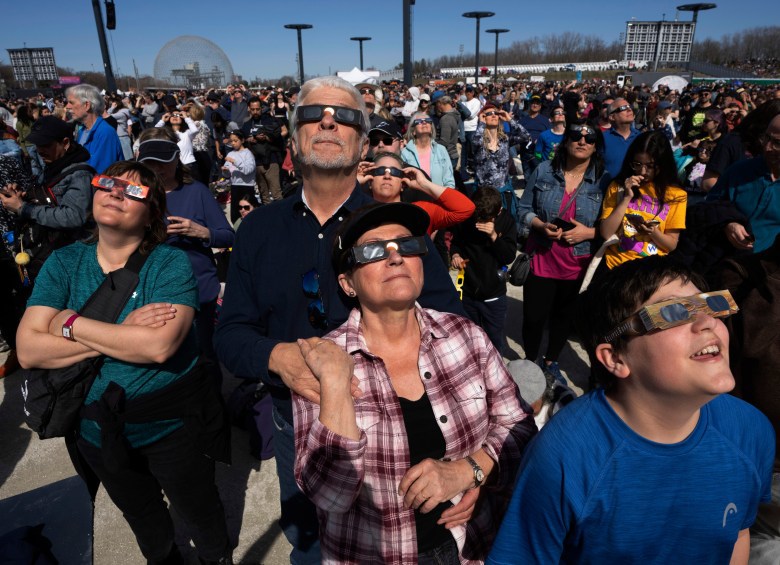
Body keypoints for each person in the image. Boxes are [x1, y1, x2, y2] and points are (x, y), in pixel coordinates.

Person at [214, 76, 464, 565]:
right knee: (310, 546)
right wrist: (276, 357)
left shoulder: (398, 223)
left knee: (410, 543)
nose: (329, 121)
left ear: (363, 144)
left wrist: (470, 465)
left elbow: (451, 323)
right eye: (314, 114)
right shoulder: (258, 230)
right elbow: (229, 335)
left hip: (405, 418)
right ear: (293, 140)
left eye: (345, 116)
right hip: (298, 423)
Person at [487, 256, 774, 564]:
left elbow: (738, 533)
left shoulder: (750, 430)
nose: (708, 322)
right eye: (674, 311)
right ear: (615, 359)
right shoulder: (564, 457)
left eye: (708, 305)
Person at [16, 160, 233, 564]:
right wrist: (120, 330)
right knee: (143, 517)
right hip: (97, 429)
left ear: (153, 213)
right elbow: (28, 349)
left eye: (134, 191)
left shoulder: (169, 263)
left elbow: (158, 347)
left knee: (201, 513)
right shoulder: (64, 262)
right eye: (108, 183)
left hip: (172, 426)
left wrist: (69, 323)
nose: (116, 192)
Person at [293, 201, 536, 563]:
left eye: (407, 245)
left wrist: (473, 470)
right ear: (347, 283)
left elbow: (519, 426)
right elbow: (329, 495)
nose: (396, 258)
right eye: (373, 251)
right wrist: (335, 384)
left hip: (473, 545)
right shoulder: (321, 362)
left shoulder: (465, 334)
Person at [136, 130, 235, 387]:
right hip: (154, 291)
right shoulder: (137, 195)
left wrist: (201, 232)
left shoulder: (197, 191)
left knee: (204, 356)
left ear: (177, 159)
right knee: (164, 358)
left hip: (199, 289)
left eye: (164, 162)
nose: (158, 169)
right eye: (151, 163)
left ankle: (212, 411)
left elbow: (228, 236)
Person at [518, 123, 607, 382]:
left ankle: (551, 360)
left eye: (589, 138)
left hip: (578, 264)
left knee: (563, 319)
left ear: (595, 146)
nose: (582, 141)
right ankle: (532, 358)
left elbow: (613, 223)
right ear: (565, 142)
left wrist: (588, 234)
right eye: (576, 137)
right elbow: (523, 209)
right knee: (533, 318)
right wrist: (539, 225)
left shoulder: (604, 178)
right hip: (542, 258)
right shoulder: (544, 171)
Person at [0, 116, 94, 280]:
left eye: (46, 145)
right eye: (37, 145)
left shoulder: (79, 174)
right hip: (53, 254)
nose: (39, 150)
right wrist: (23, 196)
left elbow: (73, 217)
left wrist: (24, 208)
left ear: (65, 143)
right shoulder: (54, 165)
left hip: (71, 257)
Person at [599, 130, 687, 270]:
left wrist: (653, 232)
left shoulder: (677, 195)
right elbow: (606, 233)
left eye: (650, 166)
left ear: (663, 164)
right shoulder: (618, 186)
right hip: (615, 266)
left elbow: (671, 245)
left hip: (651, 271)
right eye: (637, 164)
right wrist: (626, 198)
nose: (643, 172)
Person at [450, 187, 518, 356]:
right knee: (470, 336)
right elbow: (457, 242)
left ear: (499, 211)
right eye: (477, 218)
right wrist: (456, 255)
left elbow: (508, 256)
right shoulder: (466, 218)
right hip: (468, 292)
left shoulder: (507, 220)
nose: (480, 223)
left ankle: (494, 371)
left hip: (493, 295)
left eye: (486, 219)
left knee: (494, 338)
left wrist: (494, 236)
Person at [706, 113, 780, 254]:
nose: (767, 147)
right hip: (723, 261)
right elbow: (709, 207)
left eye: (777, 143)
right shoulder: (739, 171)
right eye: (766, 138)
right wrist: (727, 224)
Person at [358, 151, 474, 233]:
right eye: (380, 171)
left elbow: (465, 209)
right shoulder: (355, 213)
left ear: (403, 184)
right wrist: (355, 183)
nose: (387, 175)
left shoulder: (420, 212)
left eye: (394, 172)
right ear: (369, 182)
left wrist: (425, 184)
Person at [472, 104, 531, 228]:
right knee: (485, 227)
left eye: (495, 113)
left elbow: (526, 136)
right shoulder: (478, 139)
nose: (493, 115)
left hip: (503, 192)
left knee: (504, 226)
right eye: (488, 114)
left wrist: (510, 119)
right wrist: (481, 123)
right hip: (485, 195)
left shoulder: (505, 139)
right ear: (483, 117)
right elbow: (475, 141)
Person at [66, 84, 124, 174]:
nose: (67, 106)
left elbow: (101, 172)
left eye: (71, 102)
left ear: (87, 105)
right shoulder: (82, 131)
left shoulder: (105, 132)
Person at [241, 98, 284, 205]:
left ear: (261, 108)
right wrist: (249, 140)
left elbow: (279, 138)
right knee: (263, 195)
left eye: (257, 109)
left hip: (271, 160)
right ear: (248, 109)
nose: (255, 112)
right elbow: (241, 143)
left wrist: (266, 137)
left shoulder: (269, 121)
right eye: (253, 109)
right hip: (255, 162)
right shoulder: (246, 125)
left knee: (276, 194)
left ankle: (282, 217)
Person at [400, 111, 456, 190]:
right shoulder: (405, 153)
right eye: (419, 121)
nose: (424, 122)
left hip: (438, 199)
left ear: (431, 129)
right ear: (413, 131)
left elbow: (449, 181)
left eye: (428, 121)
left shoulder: (441, 150)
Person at [601, 97, 641, 180]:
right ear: (612, 117)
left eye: (630, 107)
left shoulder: (641, 137)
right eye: (623, 108)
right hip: (609, 190)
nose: (629, 110)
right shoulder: (602, 138)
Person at [222, 130, 256, 223]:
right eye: (231, 141)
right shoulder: (230, 154)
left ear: (242, 140)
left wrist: (234, 162)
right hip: (235, 186)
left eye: (235, 141)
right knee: (236, 213)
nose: (233, 143)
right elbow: (228, 175)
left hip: (246, 186)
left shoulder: (248, 154)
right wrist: (225, 171)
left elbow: (248, 170)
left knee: (247, 211)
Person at [432, 92, 461, 173]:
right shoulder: (454, 114)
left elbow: (444, 142)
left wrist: (431, 142)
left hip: (448, 156)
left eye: (436, 104)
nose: (436, 107)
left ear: (440, 103)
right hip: (451, 155)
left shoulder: (446, 119)